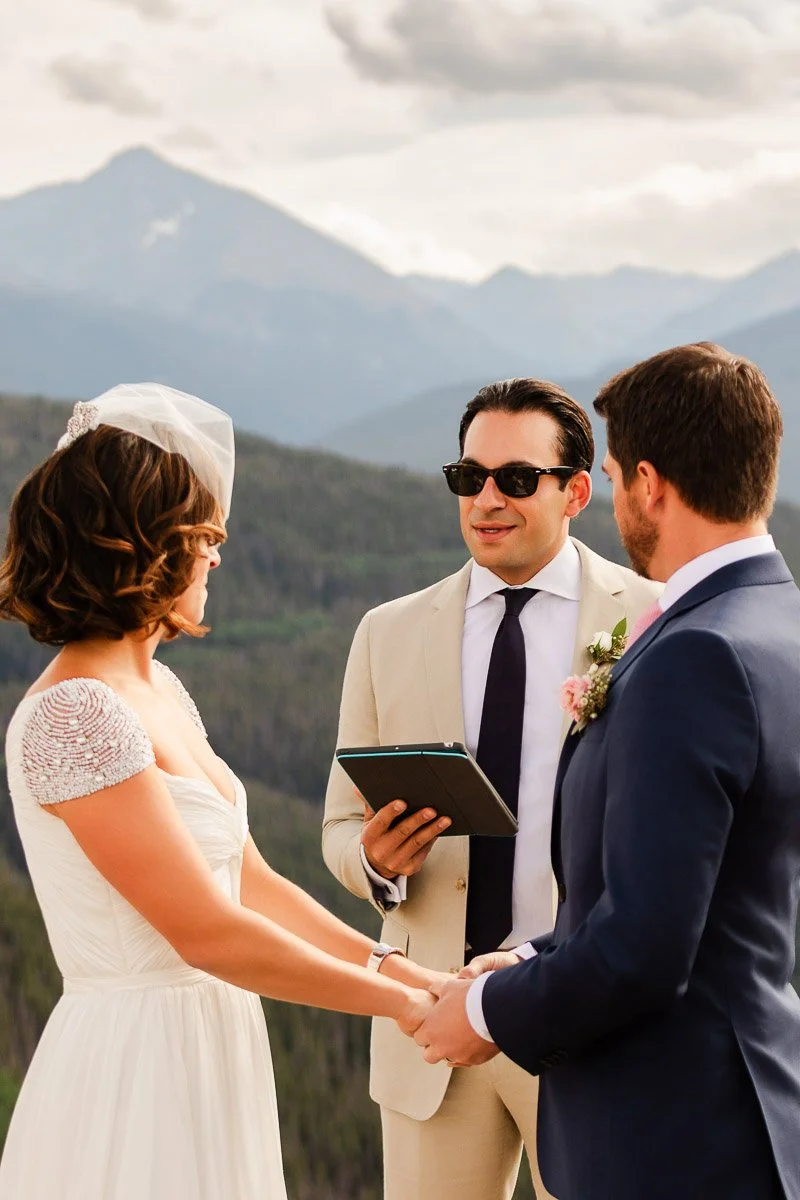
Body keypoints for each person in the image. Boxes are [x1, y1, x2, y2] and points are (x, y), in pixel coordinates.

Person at [0, 383, 441, 1200]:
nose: (215, 554)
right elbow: (206, 932)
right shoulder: (72, 714)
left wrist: (410, 973)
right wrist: (400, 1009)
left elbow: (250, 884)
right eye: (201, 535)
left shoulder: (162, 693)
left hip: (210, 1045)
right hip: (136, 1065)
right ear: (145, 545)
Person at [415, 344, 800, 1200]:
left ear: (649, 484)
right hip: (740, 1102)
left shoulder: (694, 652)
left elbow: (644, 947)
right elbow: (688, 898)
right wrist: (525, 961)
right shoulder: (774, 618)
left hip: (672, 1134)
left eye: (619, 474)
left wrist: (484, 1012)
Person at [322, 378, 659, 1200]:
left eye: (515, 478)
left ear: (576, 490)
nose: (486, 499)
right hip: (428, 1024)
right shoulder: (387, 632)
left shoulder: (651, 618)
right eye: (468, 478)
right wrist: (374, 863)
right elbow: (338, 822)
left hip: (582, 1022)